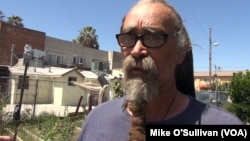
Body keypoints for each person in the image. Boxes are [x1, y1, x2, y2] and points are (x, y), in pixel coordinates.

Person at [77, 0, 243, 141]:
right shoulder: (96, 121)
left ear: (181, 51)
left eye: (154, 37)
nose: (136, 50)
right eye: (128, 38)